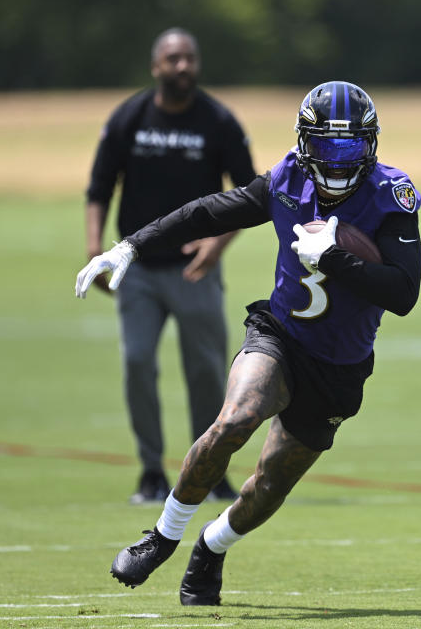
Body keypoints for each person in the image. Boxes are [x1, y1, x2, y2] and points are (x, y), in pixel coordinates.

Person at [75, 81, 421, 605]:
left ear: (370, 145)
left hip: (341, 365)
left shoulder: (391, 194)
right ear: (305, 143)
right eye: (327, 145)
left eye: (349, 146)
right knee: (237, 417)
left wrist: (333, 258)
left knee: (268, 487)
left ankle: (211, 546)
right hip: (281, 334)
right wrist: (131, 246)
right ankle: (164, 536)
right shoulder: (287, 179)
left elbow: (404, 292)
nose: (336, 158)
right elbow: (212, 210)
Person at [85, 28, 256, 504]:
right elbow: (98, 188)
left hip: (194, 269)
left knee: (205, 371)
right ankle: (150, 472)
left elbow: (249, 195)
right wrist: (95, 250)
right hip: (137, 270)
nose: (183, 66)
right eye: (173, 59)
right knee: (137, 363)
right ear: (155, 66)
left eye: (190, 59)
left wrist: (216, 247)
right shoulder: (129, 118)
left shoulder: (218, 121)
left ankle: (209, 471)